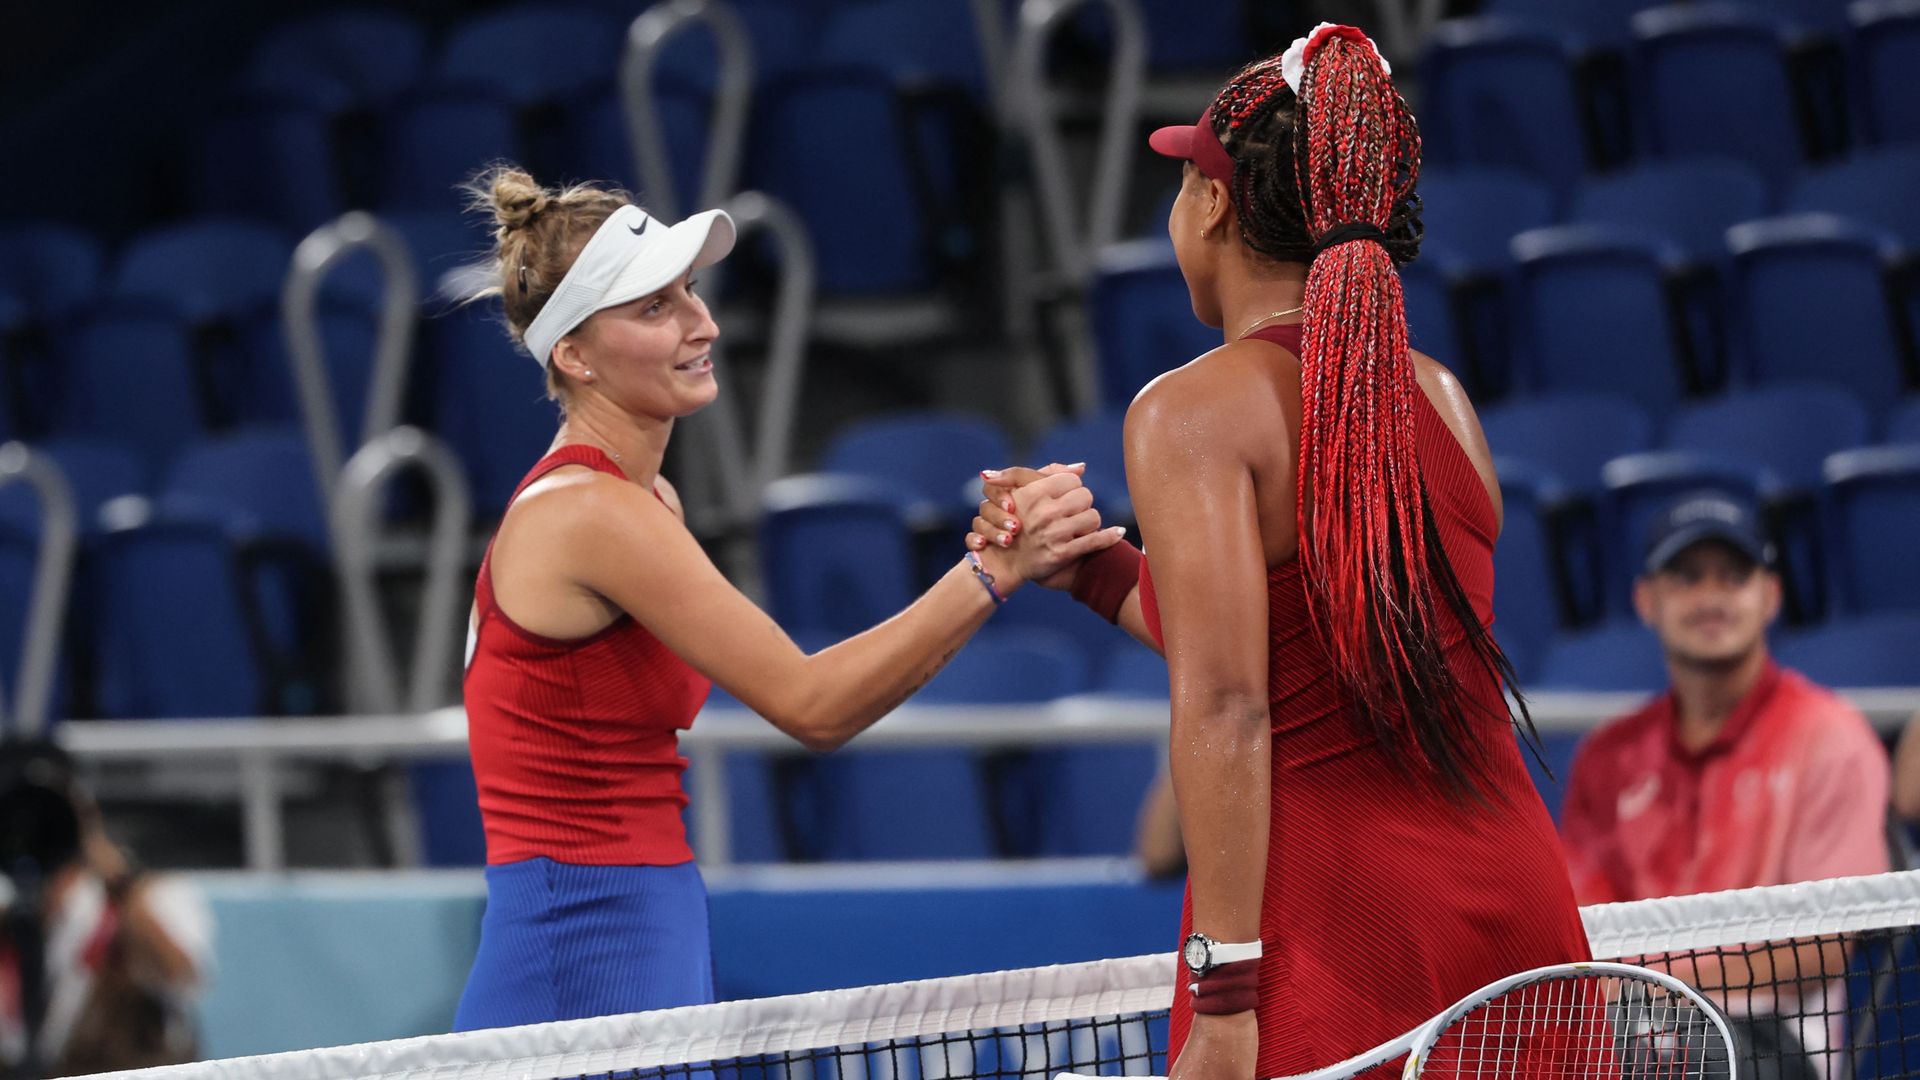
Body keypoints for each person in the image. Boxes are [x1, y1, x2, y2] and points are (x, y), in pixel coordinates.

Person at [967, 26, 1589, 1080]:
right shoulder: (1439, 395)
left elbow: (1232, 705)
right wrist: (1093, 569)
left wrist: (1223, 993)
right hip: (1519, 919)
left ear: (1212, 204)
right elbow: (1318, 641)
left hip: (1333, 927)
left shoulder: (1190, 410)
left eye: (1179, 186)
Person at [451, 167, 1122, 1032]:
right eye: (654, 309)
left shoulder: (639, 502)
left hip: (640, 921)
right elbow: (814, 705)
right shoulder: (591, 514)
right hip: (579, 945)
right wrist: (994, 568)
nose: (703, 324)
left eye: (689, 292)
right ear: (574, 356)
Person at [1557, 492, 1889, 1079]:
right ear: (1645, 600)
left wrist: (1653, 980)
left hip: (1773, 1039)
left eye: (1734, 576)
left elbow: (1824, 946)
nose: (1710, 597)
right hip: (1629, 1028)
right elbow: (1581, 928)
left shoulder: (1829, 736)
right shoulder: (1606, 757)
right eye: (1686, 577)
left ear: (1770, 595)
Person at [0, 739, 213, 1076]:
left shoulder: (149, 898)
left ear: (83, 811)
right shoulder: (10, 923)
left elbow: (183, 978)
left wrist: (119, 882)